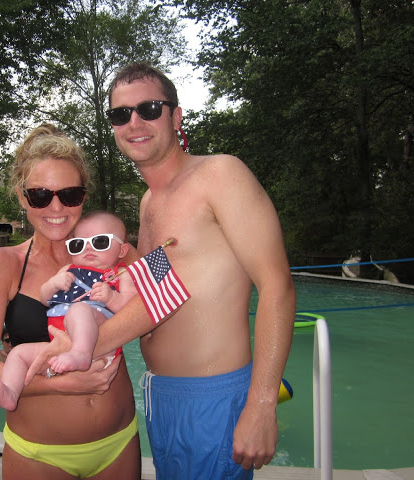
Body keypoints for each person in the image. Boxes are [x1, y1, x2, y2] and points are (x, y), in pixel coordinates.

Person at [28, 63, 297, 479]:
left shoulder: (220, 174)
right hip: (161, 395)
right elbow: (161, 291)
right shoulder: (149, 203)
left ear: (176, 116)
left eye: (149, 109)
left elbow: (277, 286)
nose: (134, 122)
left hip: (211, 394)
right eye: (121, 114)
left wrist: (262, 404)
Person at [0, 124, 141, 480]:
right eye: (40, 195)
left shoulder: (115, 251)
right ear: (21, 197)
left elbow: (161, 307)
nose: (56, 207)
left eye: (70, 194)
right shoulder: (0, 264)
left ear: (83, 196)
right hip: (40, 454)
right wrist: (56, 381)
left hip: (120, 440)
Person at [0, 210, 136, 412]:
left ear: (122, 250)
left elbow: (131, 311)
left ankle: (80, 353)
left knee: (79, 309)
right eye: (78, 244)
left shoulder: (121, 274)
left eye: (100, 242)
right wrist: (53, 284)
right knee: (18, 354)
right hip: (59, 343)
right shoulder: (67, 270)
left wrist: (111, 298)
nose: (88, 249)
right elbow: (44, 299)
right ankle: (11, 392)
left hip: (98, 339)